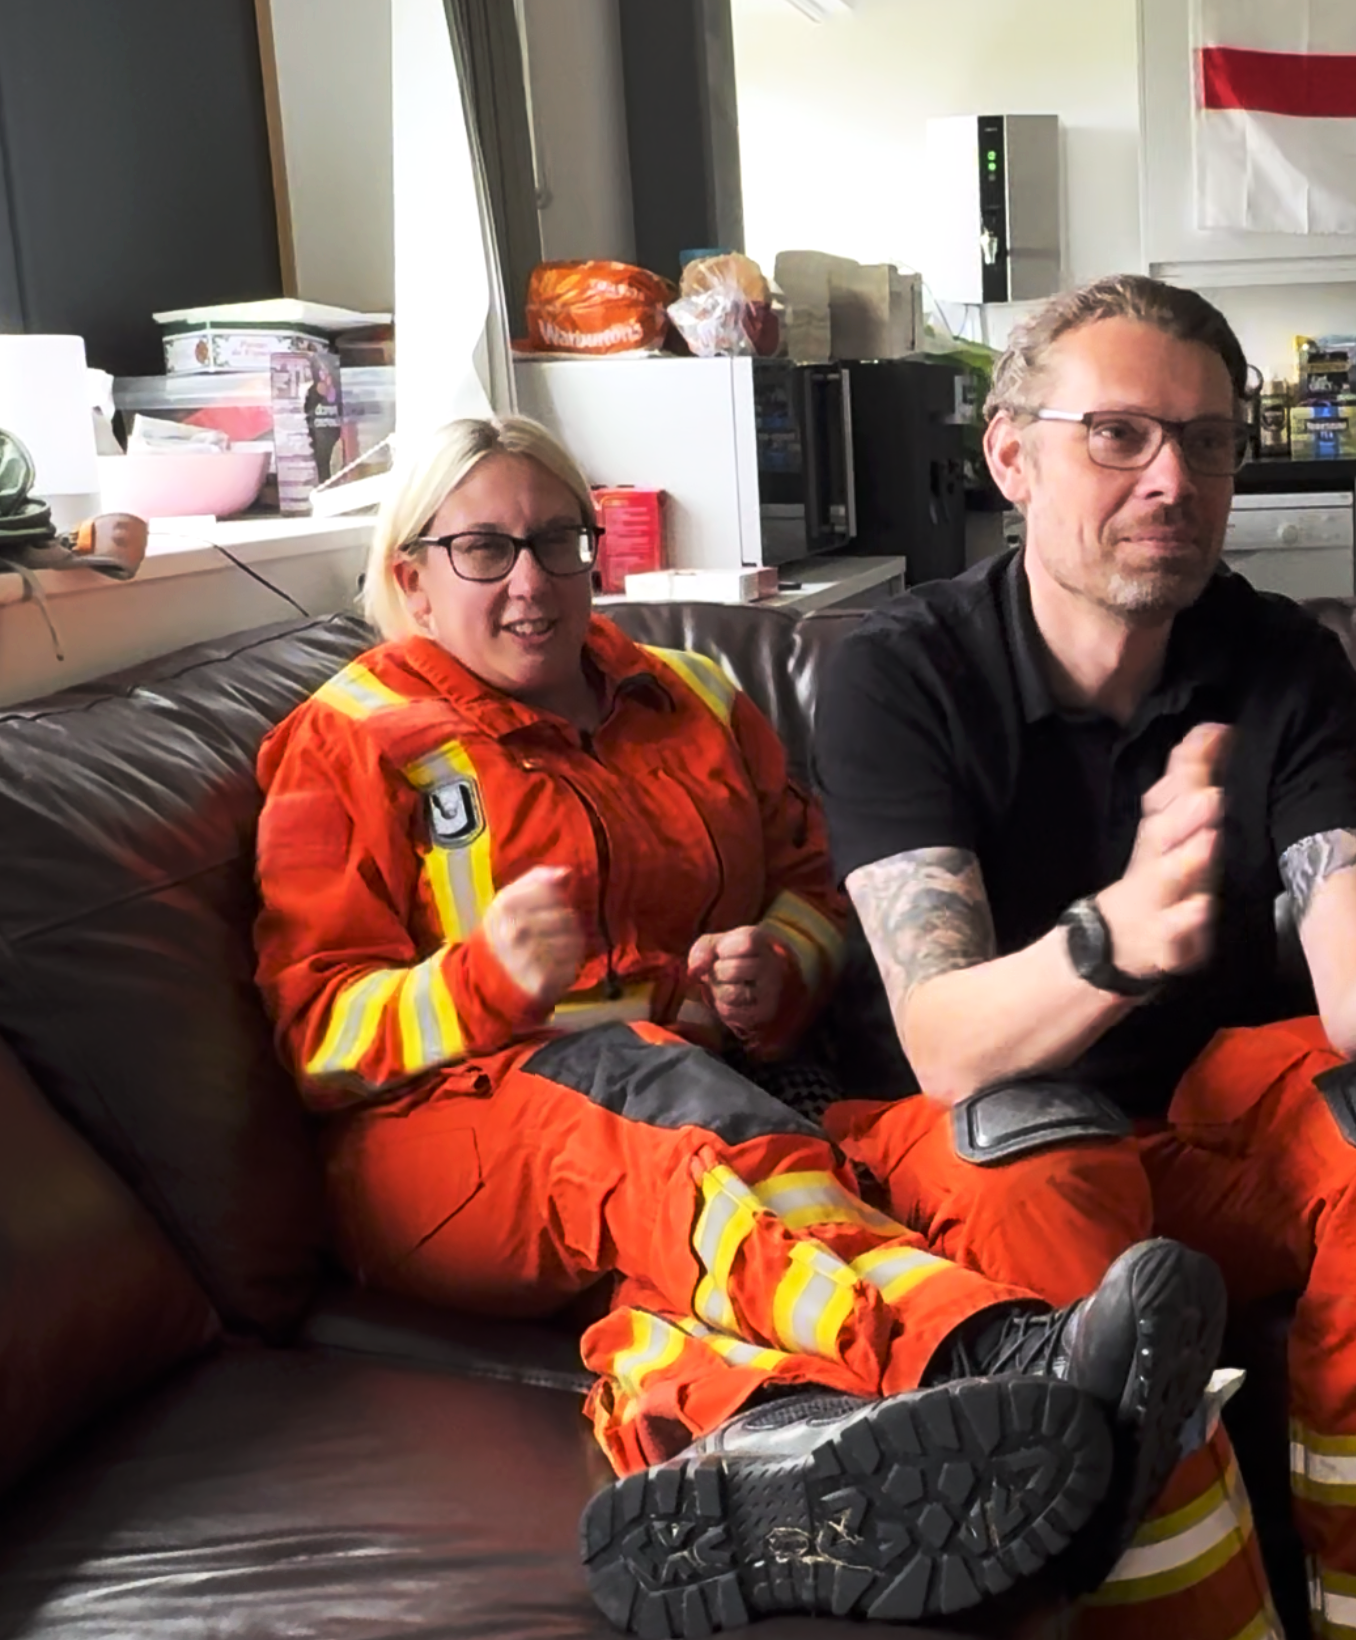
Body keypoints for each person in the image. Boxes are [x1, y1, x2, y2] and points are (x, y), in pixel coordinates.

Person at [250, 414, 1228, 1636]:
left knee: (709, 1226)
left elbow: (819, 886)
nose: (532, 580)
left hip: (692, 1114)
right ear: (410, 575)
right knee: (642, 1103)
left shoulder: (694, 694)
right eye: (484, 549)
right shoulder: (346, 742)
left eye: (559, 540)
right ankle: (991, 1356)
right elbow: (316, 1036)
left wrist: (778, 967)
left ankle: (767, 1459)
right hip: (438, 1141)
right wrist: (483, 978)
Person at [813, 275, 1356, 1640]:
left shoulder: (1282, 663)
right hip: (988, 1126)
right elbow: (945, 1039)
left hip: (1216, 1123)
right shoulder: (895, 669)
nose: (1171, 479)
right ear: (1012, 456)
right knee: (1031, 1160)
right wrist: (1109, 941)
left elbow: (1355, 972)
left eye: (1205, 441)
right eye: (1118, 435)